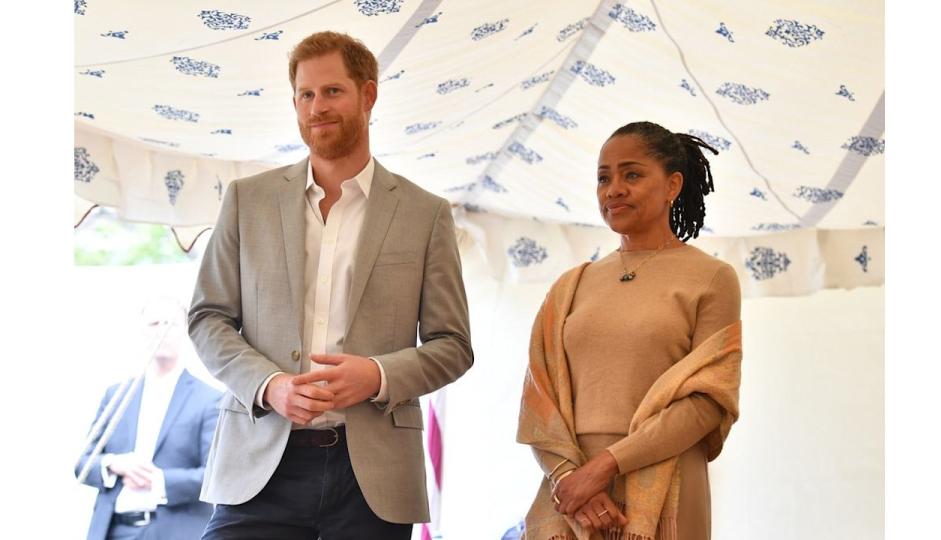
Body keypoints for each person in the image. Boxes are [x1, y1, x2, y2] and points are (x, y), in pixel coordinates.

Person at [188, 31, 473, 540]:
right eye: (305, 94)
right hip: (258, 467)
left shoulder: (426, 214)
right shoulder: (245, 200)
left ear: (368, 95)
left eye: (332, 91)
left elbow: (453, 346)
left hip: (372, 482)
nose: (317, 107)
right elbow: (208, 317)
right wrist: (268, 385)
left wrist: (378, 375)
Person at [517, 121, 743, 540]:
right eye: (604, 177)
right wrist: (571, 479)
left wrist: (602, 468)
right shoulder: (571, 285)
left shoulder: (712, 277)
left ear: (672, 184)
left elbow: (710, 400)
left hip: (668, 481)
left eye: (632, 174)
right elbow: (539, 399)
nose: (614, 189)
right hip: (572, 494)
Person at [77, 298, 221, 540]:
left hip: (175, 531)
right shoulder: (117, 395)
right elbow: (82, 464)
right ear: (142, 331)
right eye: (154, 323)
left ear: (186, 332)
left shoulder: (211, 399)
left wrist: (158, 481)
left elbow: (214, 474)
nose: (162, 330)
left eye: (171, 323)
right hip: (113, 530)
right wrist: (113, 464)